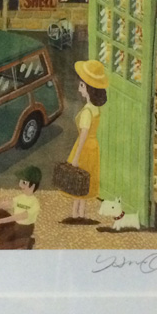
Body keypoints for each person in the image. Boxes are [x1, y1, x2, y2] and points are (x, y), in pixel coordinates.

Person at [61, 59, 108, 220]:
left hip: (85, 148)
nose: (79, 89)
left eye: (81, 85)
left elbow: (83, 135)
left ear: (89, 89)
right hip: (93, 147)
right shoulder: (96, 109)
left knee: (78, 181)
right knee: (86, 180)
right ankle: (80, 213)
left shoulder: (87, 112)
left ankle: (76, 214)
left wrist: (76, 157)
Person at [0, 166, 42, 250]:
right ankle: (3, 242)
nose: (20, 185)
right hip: (16, 225)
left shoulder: (34, 203)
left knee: (0, 245)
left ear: (33, 185)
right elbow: (7, 204)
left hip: (24, 229)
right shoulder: (21, 197)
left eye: (24, 182)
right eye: (20, 181)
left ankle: (26, 241)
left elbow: (20, 216)